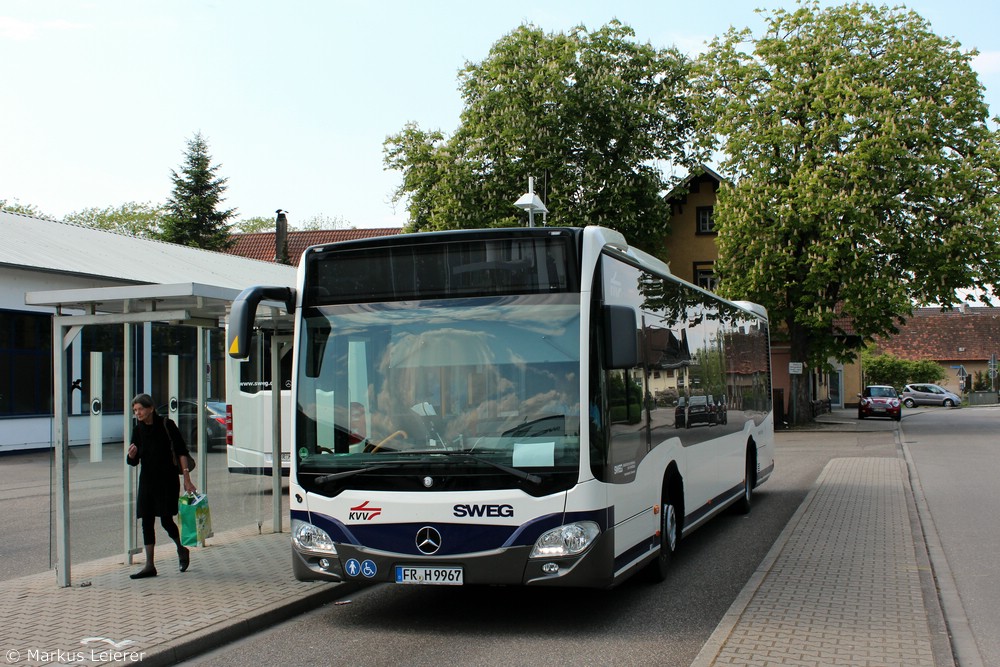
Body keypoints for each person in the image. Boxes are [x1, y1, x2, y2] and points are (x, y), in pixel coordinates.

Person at [126, 393, 196, 579]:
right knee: (146, 520)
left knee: (166, 520)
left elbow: (181, 452)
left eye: (140, 409)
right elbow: (133, 461)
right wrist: (131, 456)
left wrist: (187, 479)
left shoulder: (167, 425)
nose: (138, 413)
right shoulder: (138, 429)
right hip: (147, 481)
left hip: (167, 480)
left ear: (150, 408)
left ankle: (181, 549)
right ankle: (150, 565)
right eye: (135, 410)